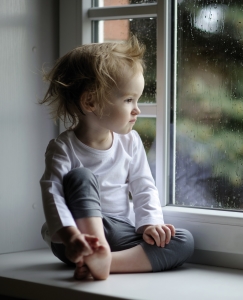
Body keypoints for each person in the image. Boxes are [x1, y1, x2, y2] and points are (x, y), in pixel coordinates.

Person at [39, 36, 194, 280]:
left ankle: (104, 262)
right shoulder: (63, 147)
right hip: (75, 237)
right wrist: (71, 237)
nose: (137, 109)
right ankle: (93, 251)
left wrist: (150, 224)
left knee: (183, 241)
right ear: (91, 101)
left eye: (138, 100)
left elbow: (144, 187)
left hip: (118, 231)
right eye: (128, 100)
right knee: (81, 176)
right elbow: (53, 195)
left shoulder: (130, 142)